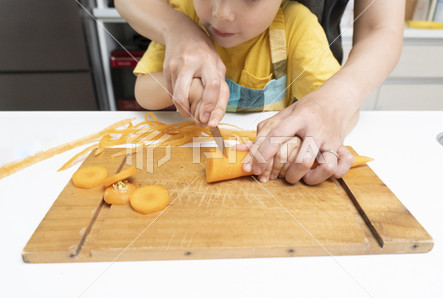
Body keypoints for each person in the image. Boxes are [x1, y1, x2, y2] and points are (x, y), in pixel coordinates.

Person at [116, 0, 405, 184]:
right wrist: (179, 84)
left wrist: (298, 139)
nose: (221, 13)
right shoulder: (185, 12)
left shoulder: (297, 25)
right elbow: (143, 92)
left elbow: (337, 108)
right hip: (188, 151)